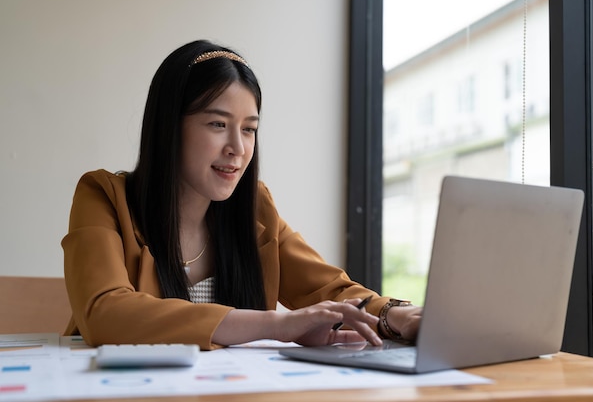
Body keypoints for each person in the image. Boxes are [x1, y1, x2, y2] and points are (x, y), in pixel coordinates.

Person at [62, 40, 422, 350]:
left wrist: (394, 316)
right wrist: (277, 325)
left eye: (249, 129)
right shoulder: (103, 196)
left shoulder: (256, 209)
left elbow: (327, 290)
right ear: (169, 127)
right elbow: (104, 313)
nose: (238, 148)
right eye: (218, 124)